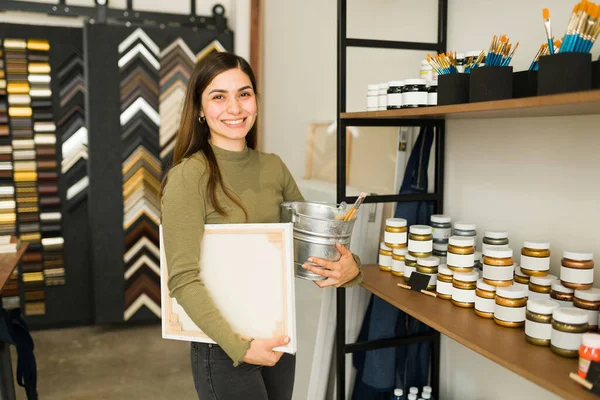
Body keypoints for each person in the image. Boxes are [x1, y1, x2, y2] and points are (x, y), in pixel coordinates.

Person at [160, 51, 363, 400]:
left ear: (255, 100)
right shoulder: (187, 178)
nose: (235, 108)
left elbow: (309, 251)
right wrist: (238, 347)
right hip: (221, 346)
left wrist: (349, 267)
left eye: (244, 93)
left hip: (277, 335)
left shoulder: (273, 168)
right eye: (218, 96)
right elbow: (182, 279)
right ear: (200, 110)